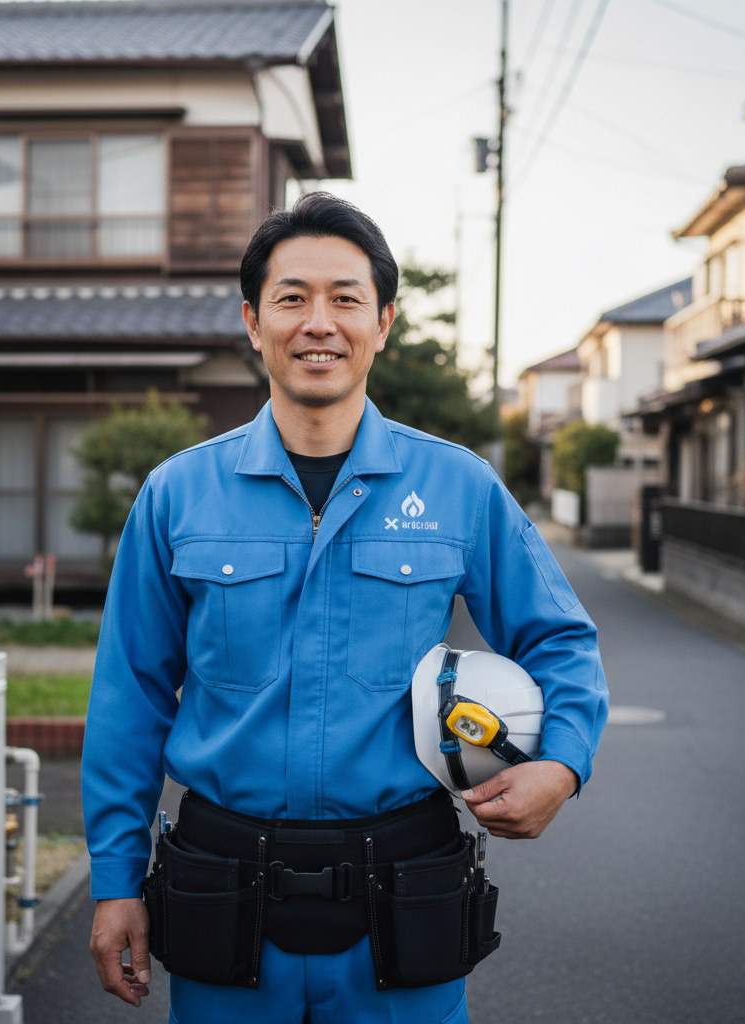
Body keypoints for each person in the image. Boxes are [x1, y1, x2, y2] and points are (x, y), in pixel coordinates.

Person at [82, 192, 608, 1023]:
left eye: (345, 299)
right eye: (292, 299)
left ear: (383, 321)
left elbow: (559, 640)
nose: (317, 322)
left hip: (404, 899)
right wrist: (115, 884)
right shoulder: (178, 494)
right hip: (223, 892)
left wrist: (562, 763)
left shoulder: (457, 485)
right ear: (254, 322)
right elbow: (129, 699)